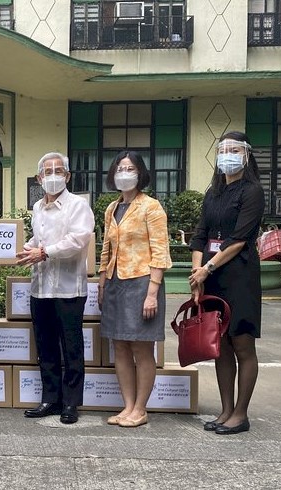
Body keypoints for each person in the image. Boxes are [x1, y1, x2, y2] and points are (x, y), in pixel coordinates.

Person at [189, 131, 264, 435]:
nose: (227, 155)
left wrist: (206, 268)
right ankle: (225, 410)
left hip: (239, 277)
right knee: (220, 344)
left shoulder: (253, 192)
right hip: (211, 277)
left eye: (234, 149)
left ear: (246, 155)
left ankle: (241, 414)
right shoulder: (213, 193)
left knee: (241, 343)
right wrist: (197, 274)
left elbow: (238, 240)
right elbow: (200, 234)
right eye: (222, 150)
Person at [16, 152, 94, 424]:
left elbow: (77, 240)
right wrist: (23, 248)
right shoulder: (38, 208)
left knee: (71, 347)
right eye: (47, 172)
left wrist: (43, 252)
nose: (52, 176)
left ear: (68, 176)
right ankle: (50, 399)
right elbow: (37, 239)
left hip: (69, 290)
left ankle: (71, 403)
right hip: (41, 289)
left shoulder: (78, 206)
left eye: (58, 171)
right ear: (39, 178)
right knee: (46, 346)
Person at [98, 150, 172, 428]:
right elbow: (106, 247)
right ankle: (127, 406)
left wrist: (152, 291)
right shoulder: (111, 208)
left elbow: (160, 250)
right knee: (120, 346)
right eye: (119, 168)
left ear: (140, 173)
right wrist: (103, 280)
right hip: (116, 282)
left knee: (142, 349)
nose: (124, 173)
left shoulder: (151, 207)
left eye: (129, 168)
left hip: (142, 282)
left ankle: (141, 408)